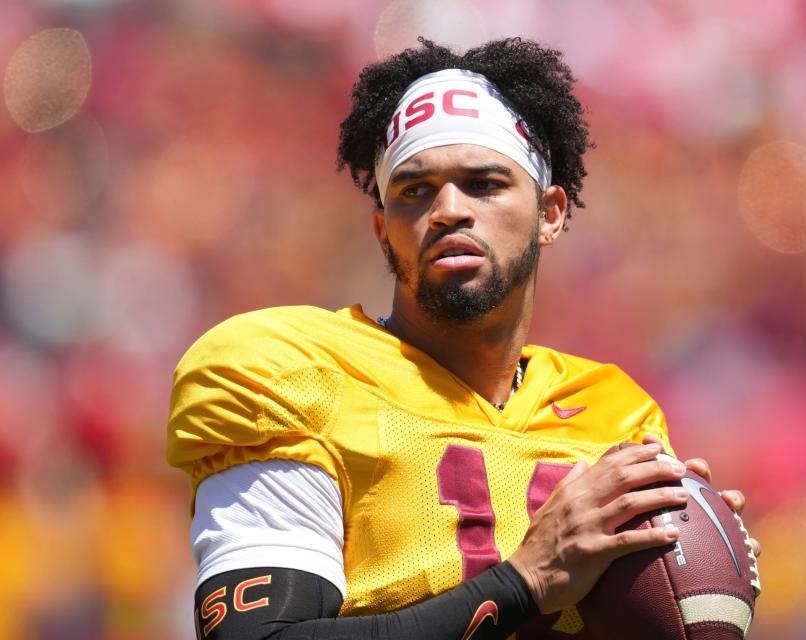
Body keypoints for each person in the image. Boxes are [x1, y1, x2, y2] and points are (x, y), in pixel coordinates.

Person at [167, 38, 758, 640]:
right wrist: (525, 581)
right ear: (382, 230)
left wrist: (694, 585)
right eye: (415, 190)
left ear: (551, 213)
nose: (449, 208)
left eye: (484, 182)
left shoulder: (615, 415)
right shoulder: (293, 373)